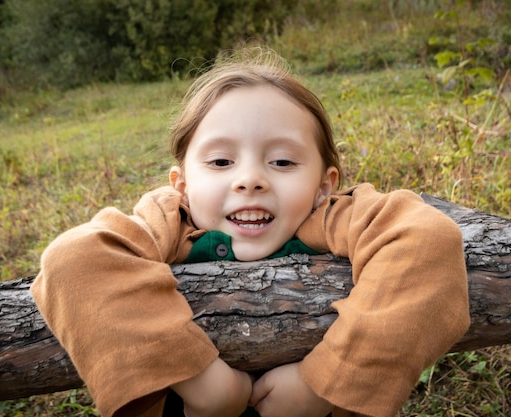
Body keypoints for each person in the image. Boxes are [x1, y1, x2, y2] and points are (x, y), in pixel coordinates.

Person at [31, 48, 470, 417]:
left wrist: (320, 387)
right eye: (221, 162)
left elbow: (428, 239)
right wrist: (202, 382)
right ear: (181, 184)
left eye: (282, 162)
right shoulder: (169, 220)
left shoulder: (333, 214)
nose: (250, 179)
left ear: (324, 185)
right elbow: (72, 260)